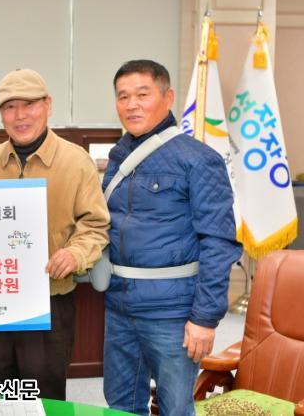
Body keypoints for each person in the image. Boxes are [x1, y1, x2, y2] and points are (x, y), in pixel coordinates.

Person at [102, 60, 243, 415]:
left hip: (173, 313)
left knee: (175, 408)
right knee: (120, 405)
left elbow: (218, 243)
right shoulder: (119, 157)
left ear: (168, 98)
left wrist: (205, 319)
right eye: (123, 97)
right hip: (119, 307)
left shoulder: (199, 160)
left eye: (142, 94)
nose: (131, 105)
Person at [0, 68, 110, 400]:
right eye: (9, 107)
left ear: (48, 104)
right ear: (0, 114)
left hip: (50, 300)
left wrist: (75, 254)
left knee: (44, 396)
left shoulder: (76, 162)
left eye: (29, 104)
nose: (20, 115)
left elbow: (95, 224)